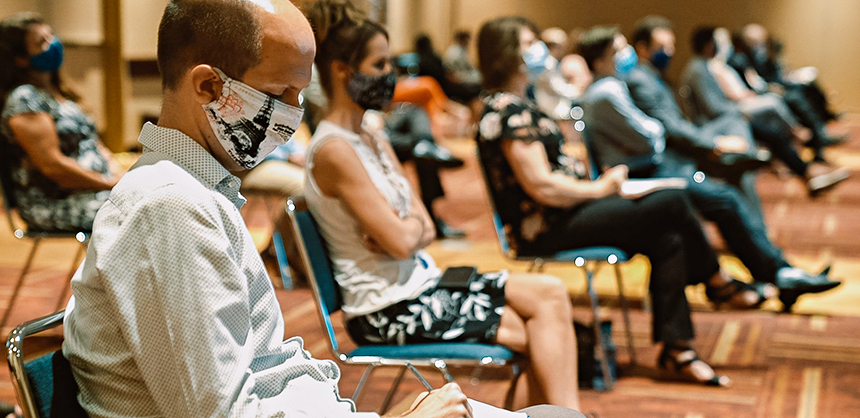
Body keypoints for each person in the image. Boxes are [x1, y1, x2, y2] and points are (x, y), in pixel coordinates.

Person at [65, 1, 580, 417]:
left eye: (299, 93)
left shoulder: (198, 193)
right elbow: (224, 412)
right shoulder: (171, 206)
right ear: (208, 86)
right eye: (278, 92)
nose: (292, 114)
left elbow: (267, 369)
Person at [304, 1, 581, 410]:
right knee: (536, 333)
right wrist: (406, 231)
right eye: (380, 65)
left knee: (551, 294)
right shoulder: (333, 150)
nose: (390, 75)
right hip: (386, 308)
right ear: (343, 70)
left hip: (421, 282)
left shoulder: (373, 136)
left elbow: (424, 227)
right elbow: (403, 240)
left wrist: (406, 229)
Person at [476, 15, 767, 388]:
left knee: (669, 237)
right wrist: (600, 190)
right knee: (673, 200)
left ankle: (678, 350)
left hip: (569, 211)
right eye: (529, 43)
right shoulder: (507, 111)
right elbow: (541, 187)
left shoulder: (521, 102)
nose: (539, 50)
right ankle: (716, 280)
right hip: (546, 227)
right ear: (506, 54)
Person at [579, 25, 841, 311]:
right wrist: (710, 144)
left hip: (657, 164)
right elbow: (653, 136)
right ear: (599, 60)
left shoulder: (619, 84)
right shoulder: (611, 90)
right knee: (724, 197)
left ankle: (775, 269)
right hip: (646, 172)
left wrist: (659, 133)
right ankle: (761, 274)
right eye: (617, 51)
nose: (625, 55)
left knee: (734, 178)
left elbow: (653, 132)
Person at [681, 26, 849, 195]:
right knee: (771, 119)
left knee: (773, 133)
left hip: (728, 117)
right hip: (717, 123)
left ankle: (807, 171)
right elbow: (713, 109)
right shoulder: (698, 70)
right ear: (709, 45)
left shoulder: (703, 66)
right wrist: (741, 112)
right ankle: (805, 164)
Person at [625, 16, 766, 212]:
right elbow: (671, 128)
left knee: (734, 121)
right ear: (642, 48)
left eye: (671, 46)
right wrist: (716, 143)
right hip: (675, 152)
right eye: (662, 47)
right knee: (739, 170)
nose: (669, 52)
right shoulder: (641, 80)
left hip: (688, 134)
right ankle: (744, 157)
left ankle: (744, 156)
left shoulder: (653, 75)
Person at [0, 13, 119, 232]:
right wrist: (111, 183)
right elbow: (54, 167)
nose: (53, 44)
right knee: (143, 209)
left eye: (51, 36)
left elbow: (93, 144)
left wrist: (117, 174)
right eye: (42, 42)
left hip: (92, 191)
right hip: (55, 203)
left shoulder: (61, 93)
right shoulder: (24, 99)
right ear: (20, 58)